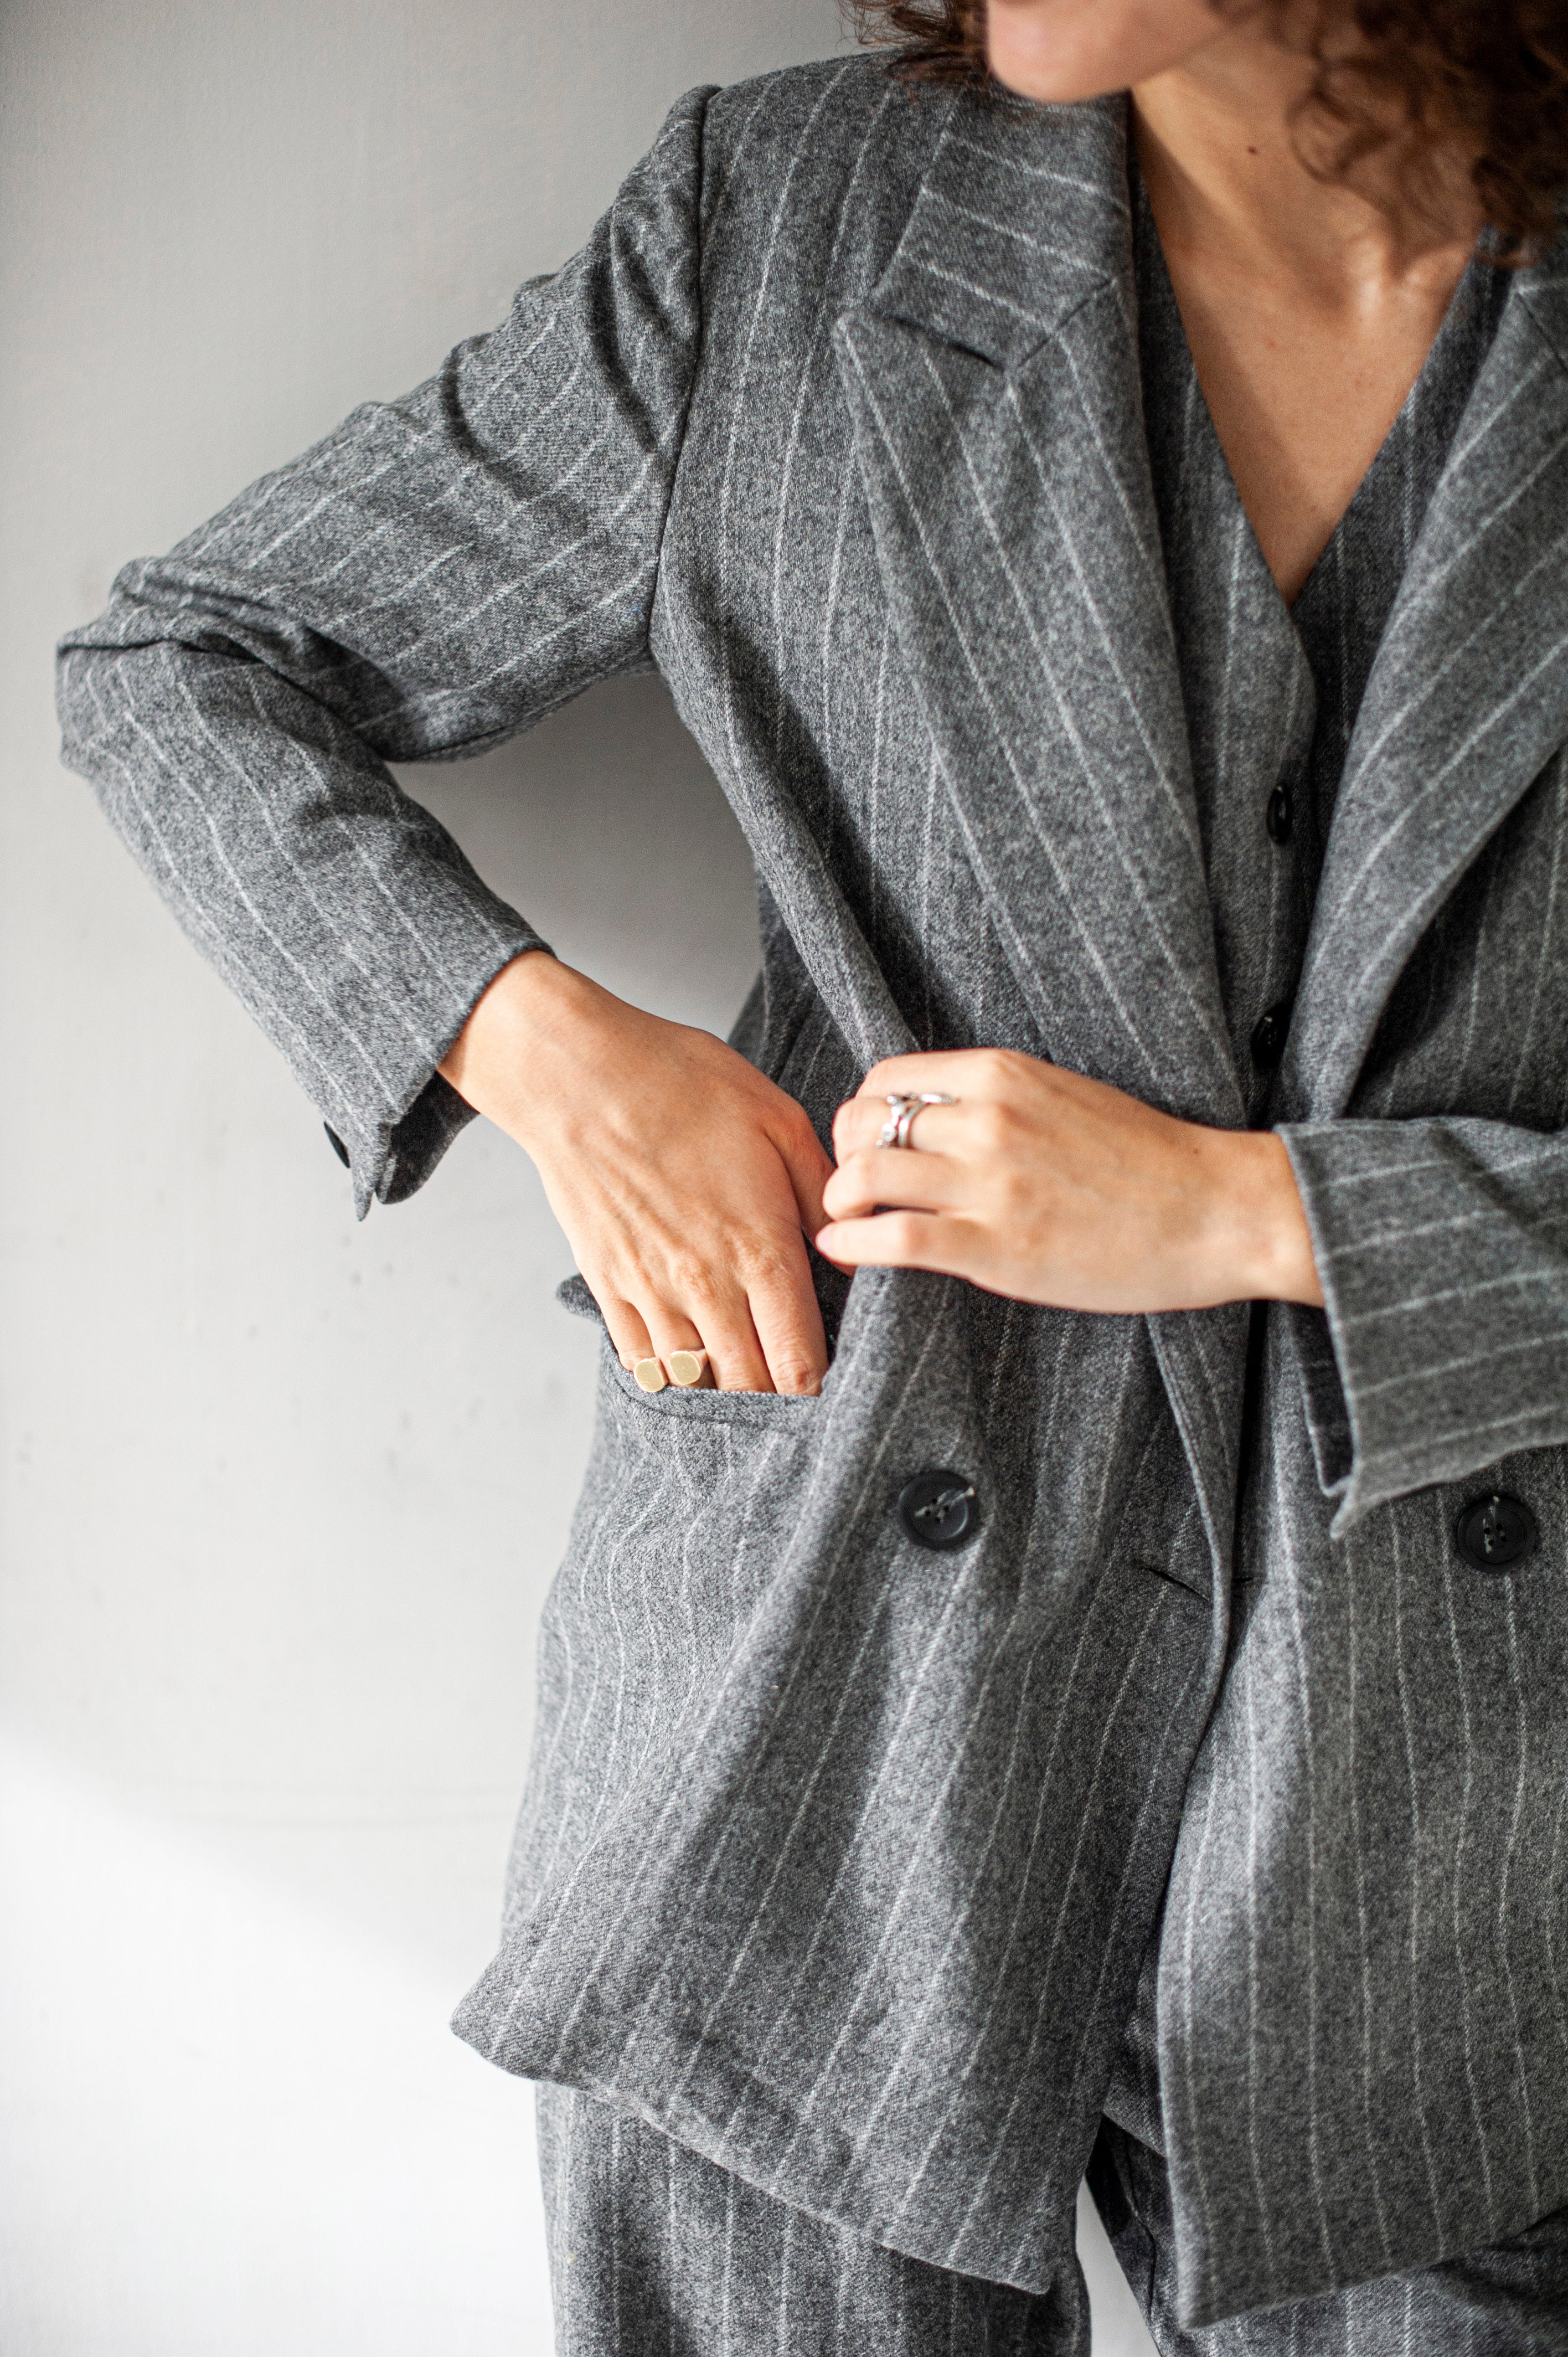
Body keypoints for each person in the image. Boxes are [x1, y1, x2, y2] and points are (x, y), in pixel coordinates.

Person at [55, 0, 1568, 2346]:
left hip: (1463, 1849)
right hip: (825, 1742)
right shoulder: (789, 223)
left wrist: (1267, 1217)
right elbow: (186, 663)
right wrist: (543, 1049)